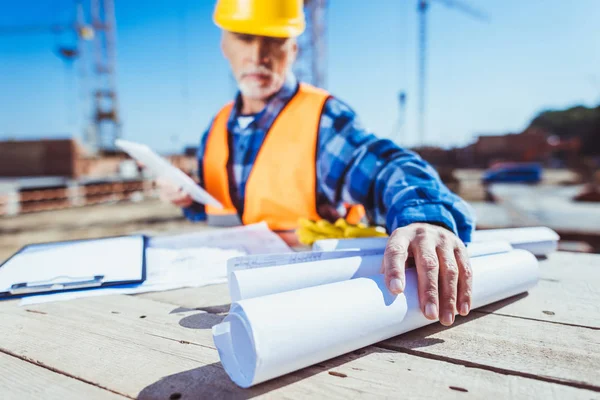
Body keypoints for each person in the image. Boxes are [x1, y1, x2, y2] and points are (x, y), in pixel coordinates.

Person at [157, 0, 476, 327]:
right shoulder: (217, 127)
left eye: (273, 40)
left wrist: (424, 217)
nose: (258, 55)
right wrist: (189, 197)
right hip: (226, 290)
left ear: (292, 49)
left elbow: (383, 167)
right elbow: (225, 207)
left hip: (315, 298)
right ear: (225, 44)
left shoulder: (321, 120)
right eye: (244, 37)